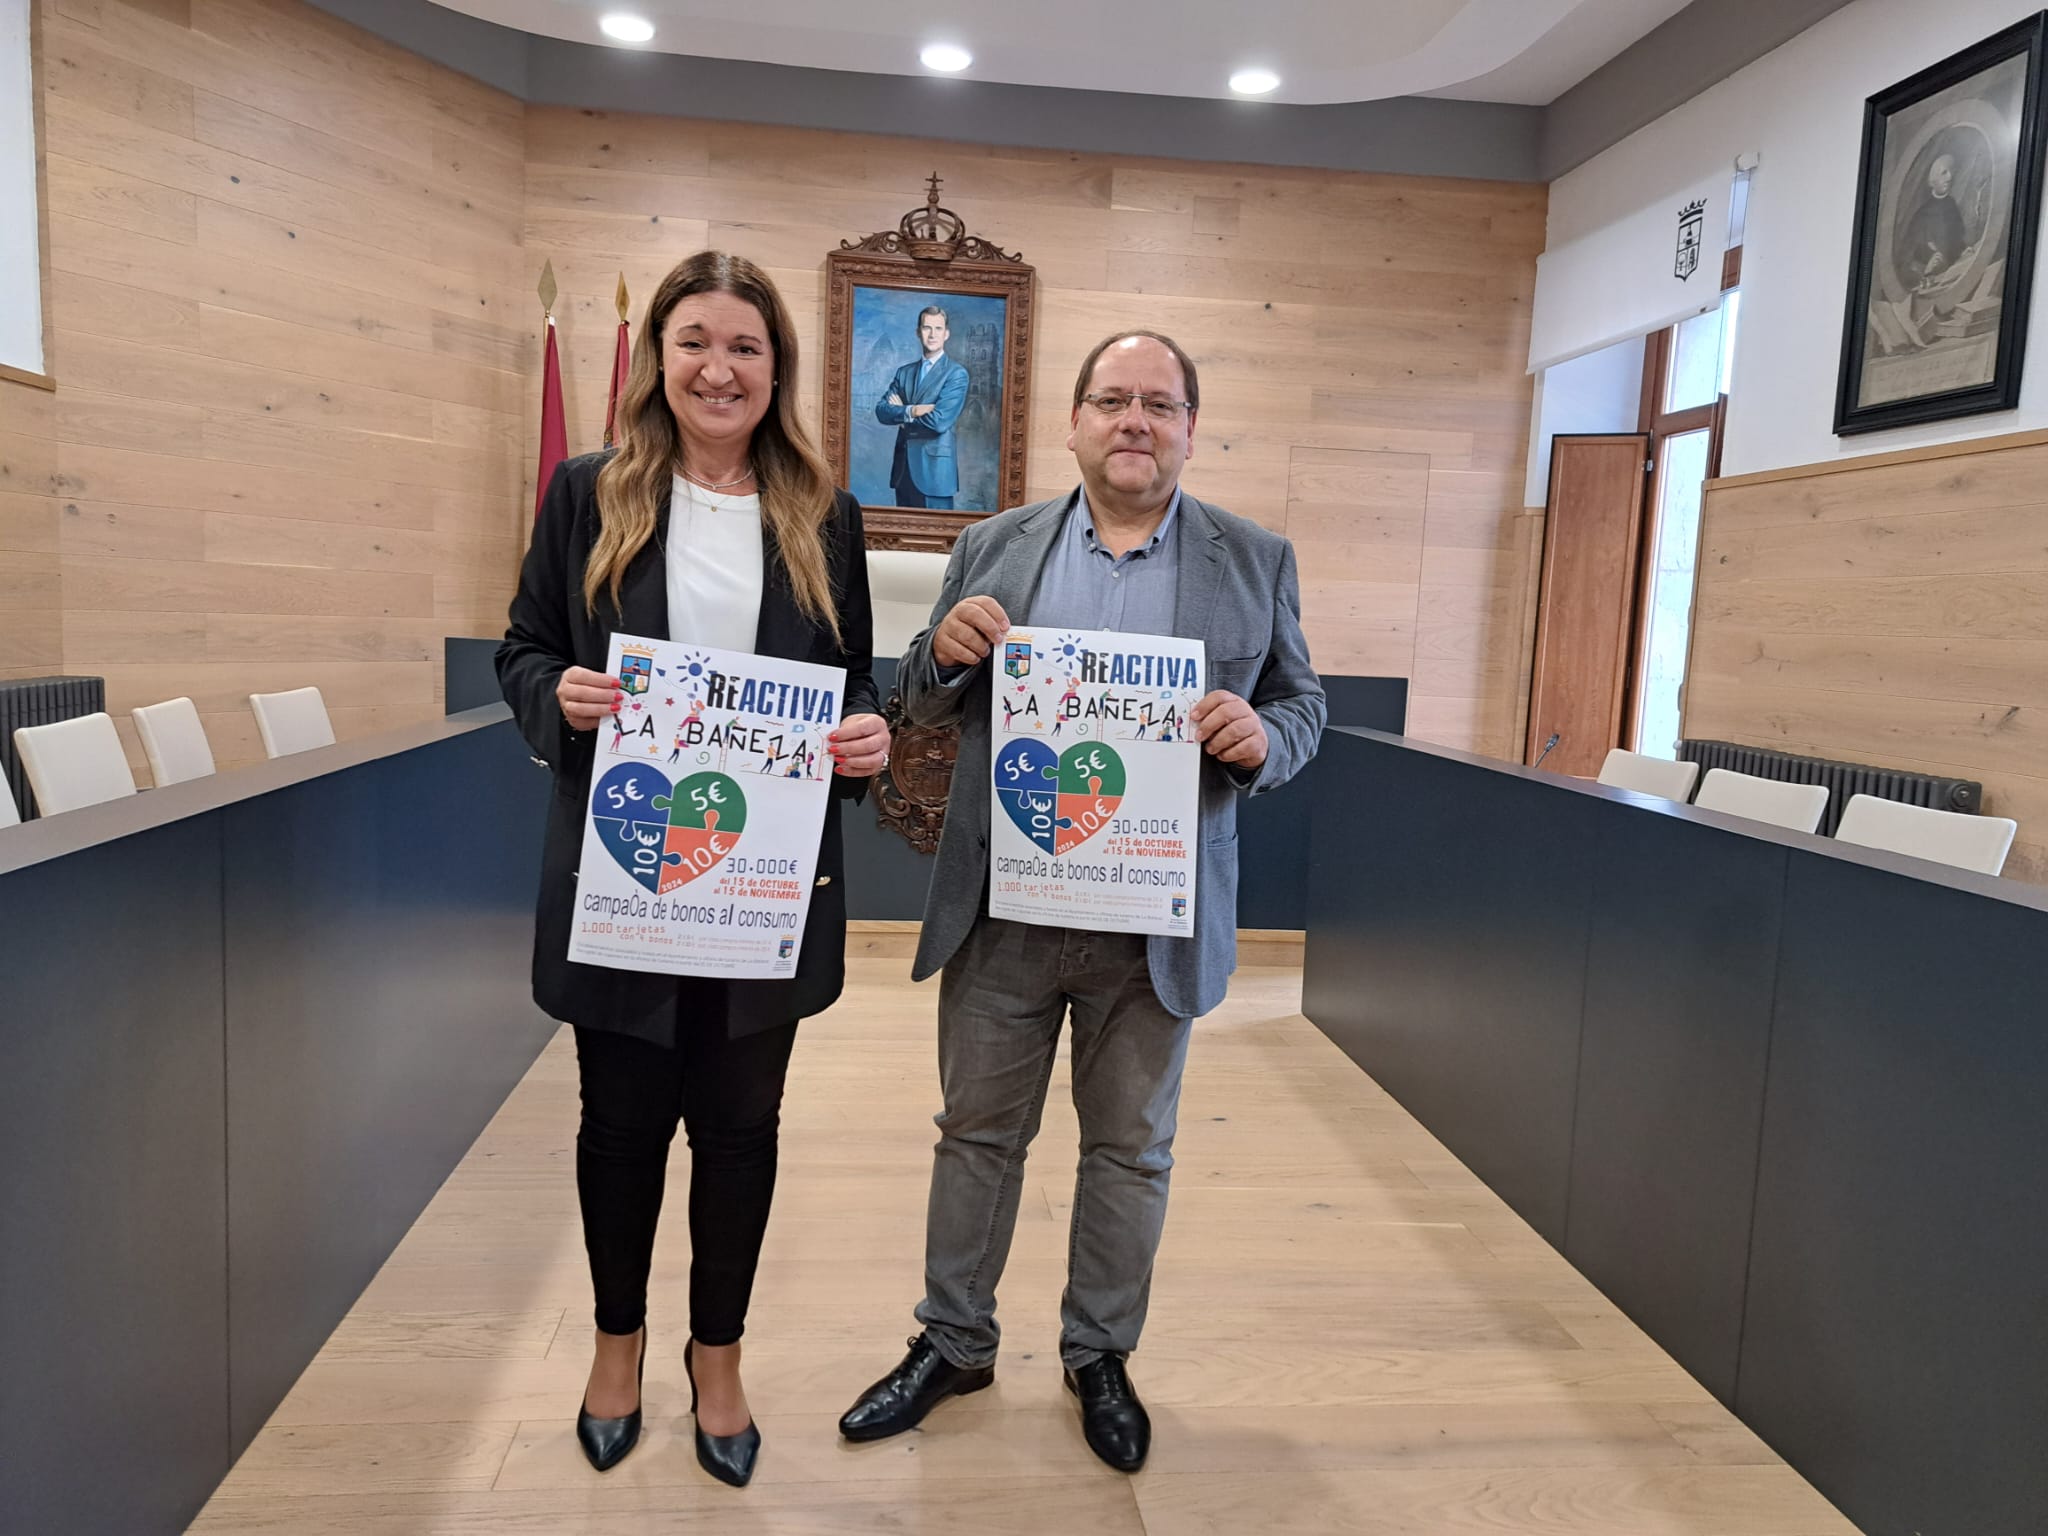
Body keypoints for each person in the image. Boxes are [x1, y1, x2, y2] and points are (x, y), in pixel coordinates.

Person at [837, 330, 1326, 1471]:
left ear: (1189, 429)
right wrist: (944, 657)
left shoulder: (1254, 560)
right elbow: (918, 692)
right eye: (1112, 399)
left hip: (1155, 923)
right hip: (1005, 906)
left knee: (1129, 1152)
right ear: (1072, 420)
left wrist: (1262, 738)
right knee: (975, 1136)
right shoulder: (992, 543)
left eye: (1159, 404)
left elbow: (1300, 705)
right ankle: (952, 1342)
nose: (1133, 422)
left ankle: (1097, 1351)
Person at [496, 250, 889, 1488]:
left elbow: (854, 679)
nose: (718, 368)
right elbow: (522, 649)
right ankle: (618, 1348)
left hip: (763, 891)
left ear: (777, 371)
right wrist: (554, 695)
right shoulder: (584, 492)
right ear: (659, 360)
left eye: (746, 348)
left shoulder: (824, 512)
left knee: (738, 1132)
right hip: (623, 876)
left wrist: (864, 740)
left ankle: (715, 1358)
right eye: (694, 342)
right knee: (616, 1130)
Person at [874, 305, 970, 509]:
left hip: (935, 474)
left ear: (946, 334)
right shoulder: (904, 373)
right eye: (927, 328)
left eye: (938, 328)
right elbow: (881, 411)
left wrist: (901, 417)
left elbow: (938, 422)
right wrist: (913, 410)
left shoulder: (956, 374)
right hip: (903, 472)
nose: (932, 334)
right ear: (919, 333)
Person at [1900, 152, 1968, 288]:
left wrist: (1964, 249)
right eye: (1944, 173)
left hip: (1951, 268)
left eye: (1951, 172)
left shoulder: (1952, 204)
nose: (1949, 177)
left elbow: (1956, 236)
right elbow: (1915, 248)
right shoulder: (1923, 213)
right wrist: (1932, 256)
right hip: (1927, 271)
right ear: (1933, 180)